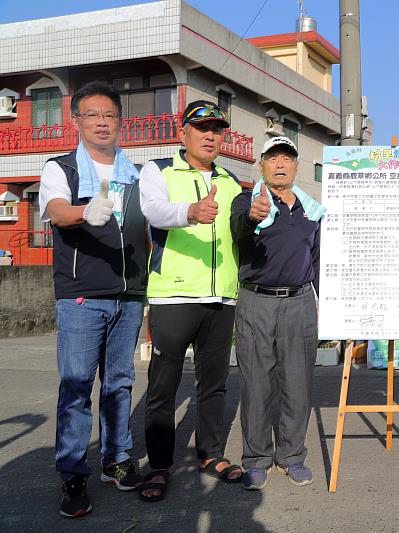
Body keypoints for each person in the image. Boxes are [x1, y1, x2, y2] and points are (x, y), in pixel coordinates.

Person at [40, 82, 148, 518]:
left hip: (129, 296)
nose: (102, 122)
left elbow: (150, 225)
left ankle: (116, 459)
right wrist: (85, 210)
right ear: (77, 121)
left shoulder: (135, 172)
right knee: (77, 386)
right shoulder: (61, 167)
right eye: (92, 114)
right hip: (82, 296)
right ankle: (72, 474)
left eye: (109, 114)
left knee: (120, 382)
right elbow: (56, 210)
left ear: (120, 121)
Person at [137, 100, 243, 502]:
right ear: (183, 133)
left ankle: (210, 454)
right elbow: (153, 210)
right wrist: (190, 211)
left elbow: (240, 232)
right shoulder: (158, 169)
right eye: (202, 128)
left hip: (221, 298)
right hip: (173, 295)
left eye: (217, 129)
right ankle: (160, 465)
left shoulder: (231, 181)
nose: (211, 135)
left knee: (214, 385)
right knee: (162, 387)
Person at [230, 136, 325, 490]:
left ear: (297, 166)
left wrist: (330, 304)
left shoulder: (309, 209)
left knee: (297, 382)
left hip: (300, 301)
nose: (280, 164)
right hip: (256, 300)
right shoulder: (248, 200)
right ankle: (256, 459)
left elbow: (317, 259)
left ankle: (291, 456)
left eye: (287, 158)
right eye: (273, 158)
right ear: (262, 165)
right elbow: (238, 226)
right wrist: (252, 217)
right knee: (255, 383)